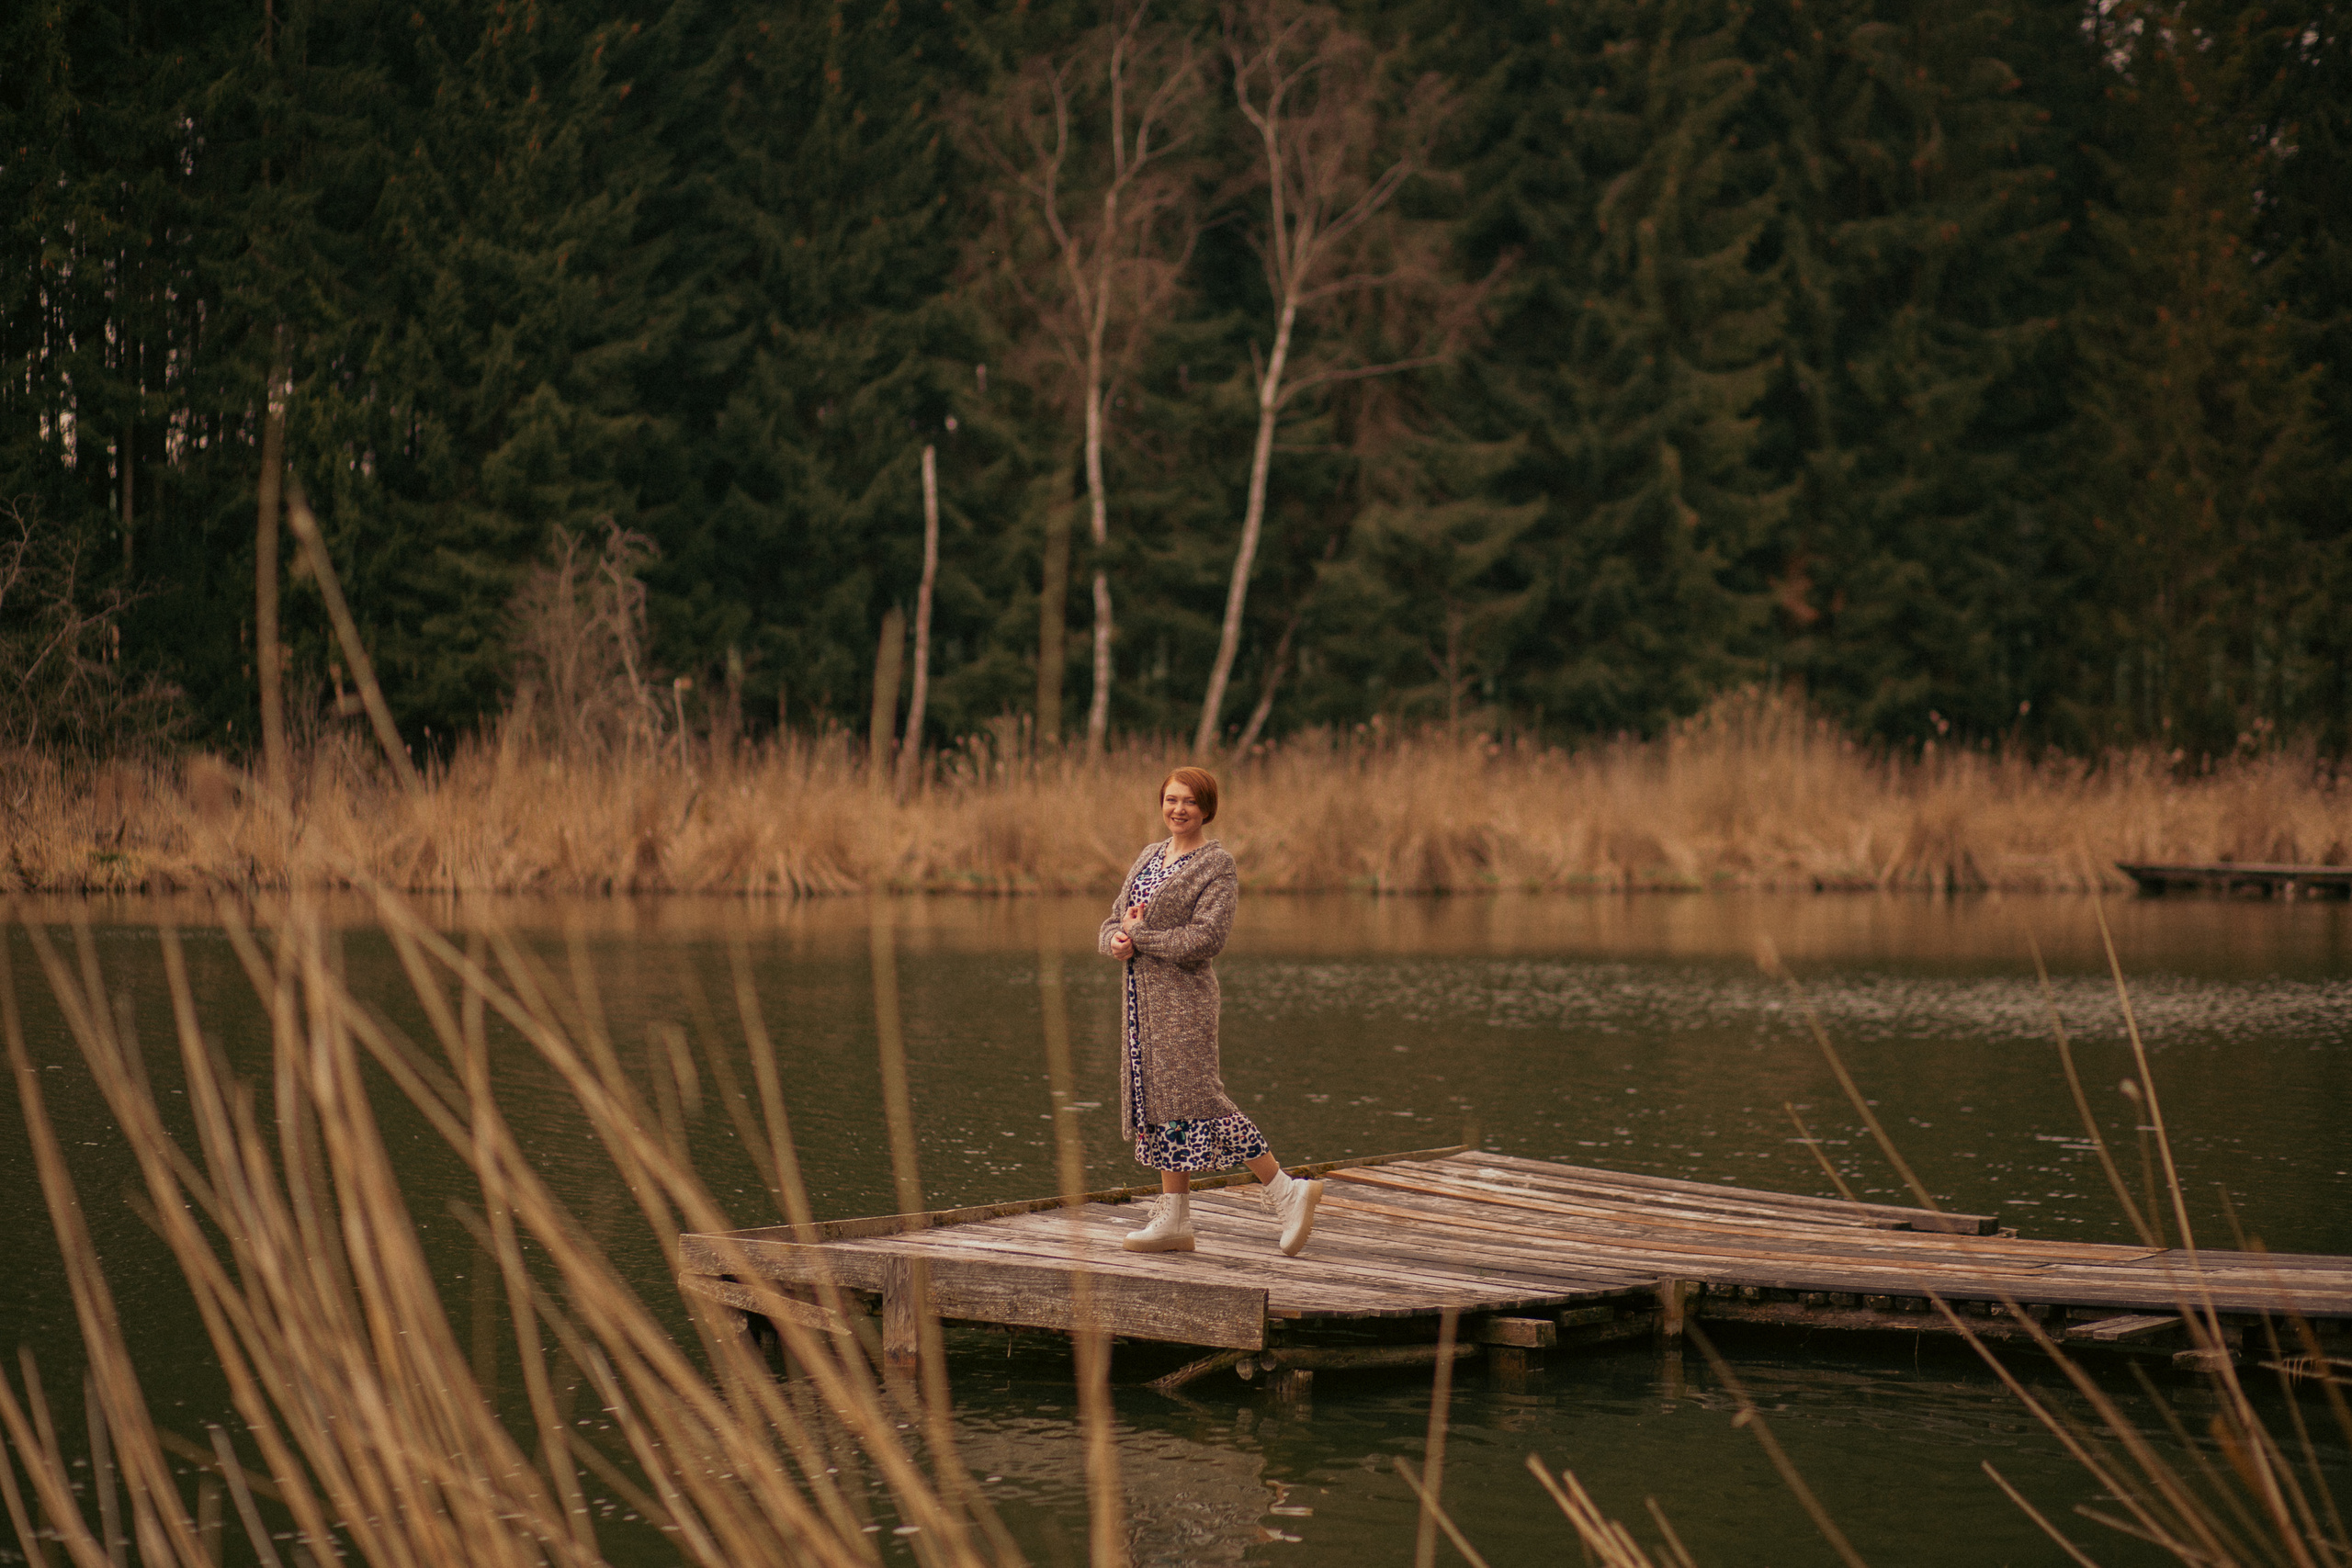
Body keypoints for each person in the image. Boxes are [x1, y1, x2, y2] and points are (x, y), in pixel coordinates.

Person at [1100, 766, 1322, 1257]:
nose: (1178, 809)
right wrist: (1115, 939)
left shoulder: (1216, 865)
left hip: (1184, 1003)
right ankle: (1174, 1219)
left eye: (1189, 802)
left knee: (1201, 1099)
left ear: (1207, 809)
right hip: (1141, 1004)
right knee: (1158, 1104)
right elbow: (1115, 919)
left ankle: (1286, 1191)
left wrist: (1138, 938)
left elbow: (1207, 939)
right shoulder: (1148, 856)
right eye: (1171, 799)